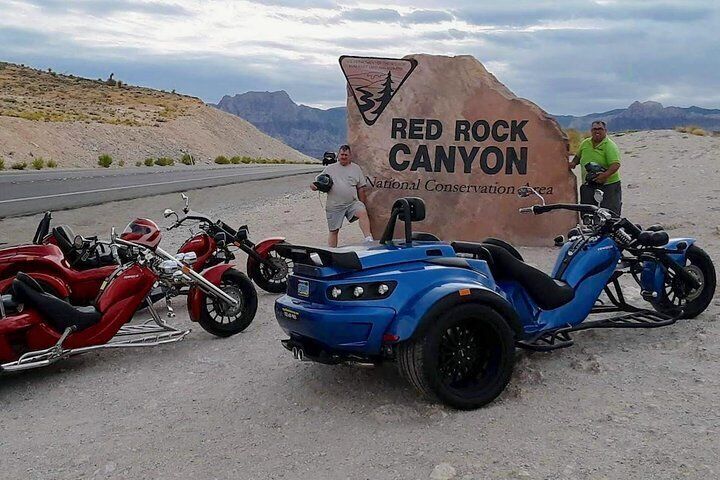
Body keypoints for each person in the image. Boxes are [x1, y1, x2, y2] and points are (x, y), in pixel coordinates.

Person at [312, 145, 373, 247]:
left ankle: (368, 239)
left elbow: (361, 188)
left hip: (351, 203)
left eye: (346, 155)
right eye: (342, 154)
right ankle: (332, 251)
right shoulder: (330, 168)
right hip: (334, 206)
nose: (344, 157)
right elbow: (317, 182)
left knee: (362, 212)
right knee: (334, 231)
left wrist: (362, 203)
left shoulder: (355, 168)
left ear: (350, 156)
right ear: (338, 155)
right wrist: (314, 186)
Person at [569, 120, 622, 214]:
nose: (597, 131)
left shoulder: (610, 146)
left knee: (610, 214)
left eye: (600, 129)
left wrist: (604, 175)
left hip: (608, 186)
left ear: (605, 130)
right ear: (591, 130)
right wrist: (572, 163)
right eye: (594, 129)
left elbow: (615, 164)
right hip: (588, 185)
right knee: (587, 212)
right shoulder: (585, 143)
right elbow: (578, 156)